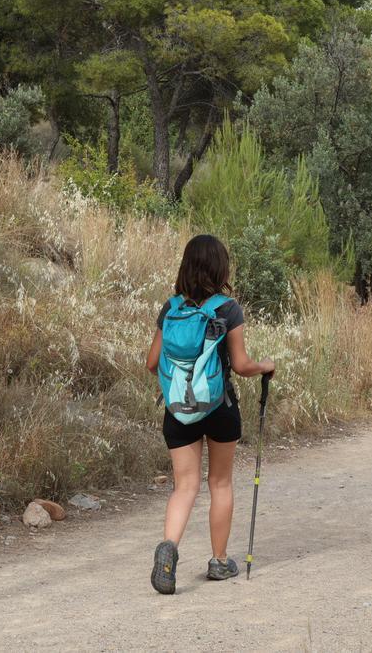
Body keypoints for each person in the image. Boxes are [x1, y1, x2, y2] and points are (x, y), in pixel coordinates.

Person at [145, 234, 275, 595]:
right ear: (220, 268)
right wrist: (266, 365)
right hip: (220, 408)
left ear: (185, 266)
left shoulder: (170, 309)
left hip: (177, 410)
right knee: (220, 483)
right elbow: (241, 364)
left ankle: (169, 548)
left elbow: (151, 362)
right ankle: (219, 561)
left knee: (184, 486)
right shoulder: (227, 308)